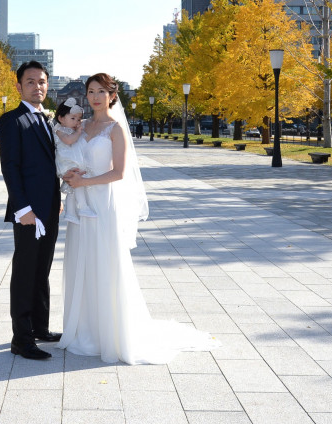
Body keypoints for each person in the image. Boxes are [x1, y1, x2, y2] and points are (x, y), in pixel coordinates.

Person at [59, 73, 219, 365]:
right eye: (90, 91)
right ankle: (85, 329)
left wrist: (85, 183)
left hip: (104, 202)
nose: (95, 97)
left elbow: (119, 173)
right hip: (80, 203)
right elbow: (71, 156)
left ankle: (112, 332)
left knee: (105, 261)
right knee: (81, 258)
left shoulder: (115, 128)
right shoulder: (82, 126)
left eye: (101, 91)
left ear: (112, 96)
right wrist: (69, 177)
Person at [0, 61, 62, 360]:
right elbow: (11, 167)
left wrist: (57, 197)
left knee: (42, 268)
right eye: (31, 81)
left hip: (49, 207)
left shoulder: (47, 120)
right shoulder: (12, 120)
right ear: (19, 86)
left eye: (42, 81)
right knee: (25, 272)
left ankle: (40, 327)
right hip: (28, 212)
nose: (38, 86)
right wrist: (22, 208)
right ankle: (21, 339)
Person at [53, 97, 95, 224]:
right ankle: (83, 207)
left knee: (73, 187)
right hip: (66, 163)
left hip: (71, 161)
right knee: (78, 183)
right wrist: (78, 132)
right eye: (73, 118)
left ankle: (71, 212)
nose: (76, 122)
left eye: (78, 119)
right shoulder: (59, 129)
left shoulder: (70, 129)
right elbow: (68, 140)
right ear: (61, 118)